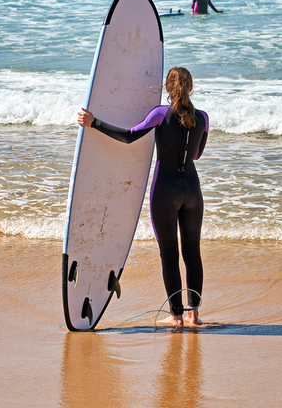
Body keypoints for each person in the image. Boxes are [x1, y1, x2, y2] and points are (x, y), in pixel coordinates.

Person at [77, 67, 209, 329]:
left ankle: (177, 316)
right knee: (192, 252)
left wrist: (95, 123)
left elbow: (129, 136)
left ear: (167, 89)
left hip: (165, 191)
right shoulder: (203, 118)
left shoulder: (160, 114)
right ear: (191, 88)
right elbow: (196, 155)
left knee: (169, 253)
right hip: (192, 191)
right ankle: (194, 315)